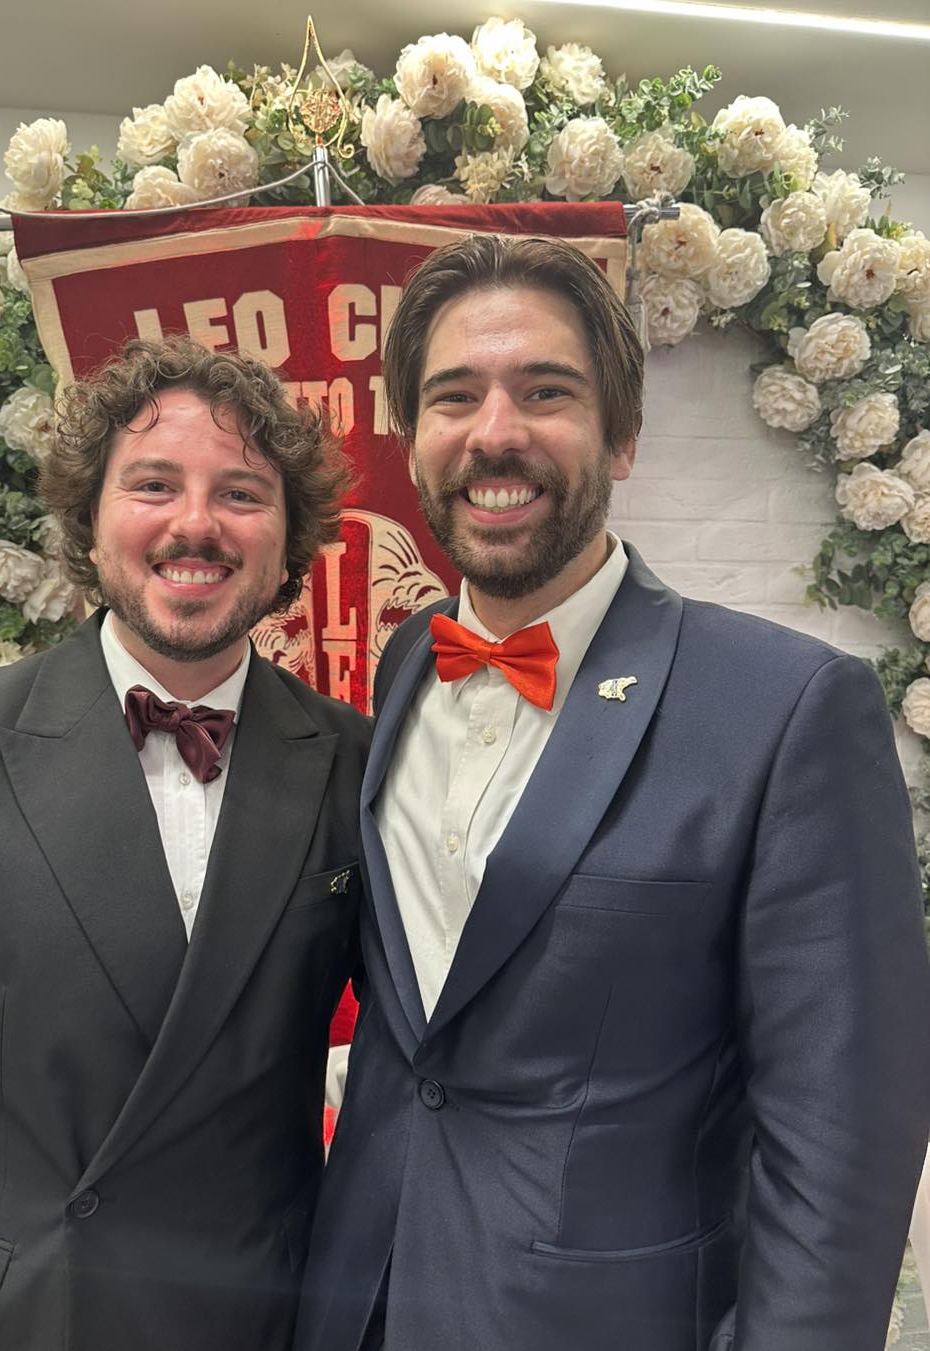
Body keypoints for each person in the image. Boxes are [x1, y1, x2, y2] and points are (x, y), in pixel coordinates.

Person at [294, 235, 930, 1351]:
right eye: (454, 396)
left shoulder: (787, 708)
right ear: (414, 437)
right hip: (358, 1297)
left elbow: (844, 1136)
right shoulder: (406, 662)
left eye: (546, 392)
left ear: (623, 435)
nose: (495, 432)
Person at [0, 337, 370, 1351]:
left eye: (241, 494)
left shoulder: (354, 763)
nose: (195, 523)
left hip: (243, 1320)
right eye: (153, 484)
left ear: (289, 544)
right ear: (88, 524)